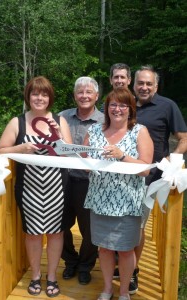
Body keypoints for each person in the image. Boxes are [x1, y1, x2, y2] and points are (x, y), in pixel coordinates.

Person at [0, 76, 72, 297]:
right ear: (28, 96)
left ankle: (52, 277)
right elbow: (0, 149)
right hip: (29, 189)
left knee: (56, 233)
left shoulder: (60, 120)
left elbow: (70, 153)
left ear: (50, 97)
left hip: (57, 188)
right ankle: (36, 276)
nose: (40, 98)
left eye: (44, 94)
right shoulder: (17, 122)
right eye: (35, 93)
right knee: (33, 234)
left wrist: (59, 136)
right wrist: (21, 147)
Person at [83, 87, 154, 300]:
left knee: (125, 250)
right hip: (99, 201)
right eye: (113, 104)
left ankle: (124, 292)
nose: (117, 109)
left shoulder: (140, 131)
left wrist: (122, 156)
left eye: (123, 105)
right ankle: (106, 289)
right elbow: (84, 163)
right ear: (106, 108)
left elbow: (145, 168)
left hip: (128, 202)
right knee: (104, 249)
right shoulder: (94, 131)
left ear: (131, 109)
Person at [128, 65, 187, 293]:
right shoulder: (126, 104)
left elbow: (183, 138)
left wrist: (172, 163)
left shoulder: (167, 106)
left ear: (156, 86)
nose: (144, 87)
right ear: (133, 85)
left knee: (137, 226)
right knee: (121, 221)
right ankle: (122, 262)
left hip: (150, 178)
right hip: (122, 175)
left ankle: (133, 271)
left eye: (148, 84)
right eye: (140, 83)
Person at [59, 76, 104, 284]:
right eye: (80, 92)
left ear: (96, 96)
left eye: (89, 92)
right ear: (74, 95)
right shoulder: (61, 117)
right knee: (59, 225)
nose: (84, 96)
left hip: (90, 183)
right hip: (62, 180)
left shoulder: (106, 120)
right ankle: (70, 261)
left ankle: (86, 265)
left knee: (90, 229)